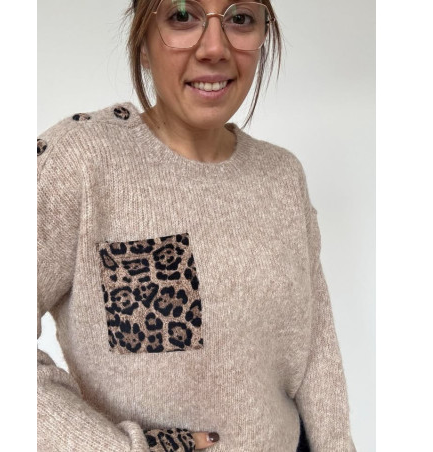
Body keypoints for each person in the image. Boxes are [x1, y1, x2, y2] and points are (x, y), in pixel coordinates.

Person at [37, 1, 356, 451]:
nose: (214, 48)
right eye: (182, 15)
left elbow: (316, 352)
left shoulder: (282, 175)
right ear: (143, 42)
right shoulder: (79, 162)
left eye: (240, 18)